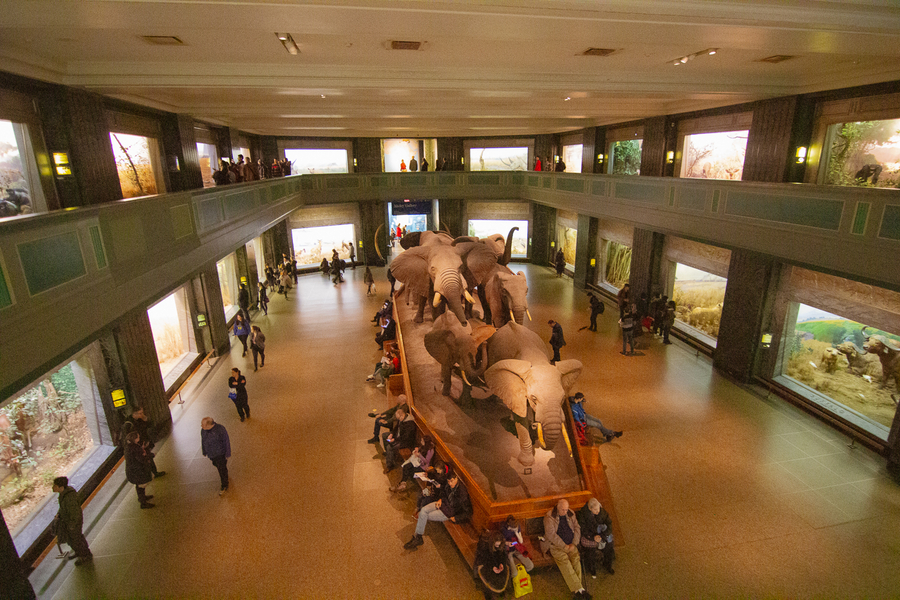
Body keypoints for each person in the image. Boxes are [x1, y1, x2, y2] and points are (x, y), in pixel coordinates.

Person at [404, 469, 471, 549]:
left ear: (456, 478)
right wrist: (441, 499)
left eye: (452, 481)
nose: (450, 483)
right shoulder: (448, 485)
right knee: (423, 511)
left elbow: (469, 511)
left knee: (424, 515)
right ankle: (418, 537)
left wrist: (457, 518)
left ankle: (418, 537)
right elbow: (443, 493)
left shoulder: (462, 493)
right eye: (449, 481)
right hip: (442, 503)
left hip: (448, 512)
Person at [543, 499, 590, 599]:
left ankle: (578, 590)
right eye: (563, 510)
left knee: (576, 561)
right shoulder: (549, 517)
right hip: (556, 546)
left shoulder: (570, 513)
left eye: (566, 509)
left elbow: (577, 527)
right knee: (566, 564)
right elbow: (551, 535)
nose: (565, 512)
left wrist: (574, 543)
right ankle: (580, 589)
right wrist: (564, 546)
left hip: (571, 544)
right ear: (558, 508)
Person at [52, 477, 92, 565]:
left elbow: (75, 512)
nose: (53, 488)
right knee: (72, 540)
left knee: (76, 539)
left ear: (61, 487)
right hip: (69, 522)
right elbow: (64, 507)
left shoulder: (69, 497)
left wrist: (72, 525)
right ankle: (79, 552)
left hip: (73, 523)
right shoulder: (64, 495)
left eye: (55, 486)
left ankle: (85, 555)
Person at [577, 498, 616, 578]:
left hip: (601, 534)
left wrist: (602, 535)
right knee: (590, 552)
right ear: (590, 509)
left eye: (598, 508)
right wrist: (593, 537)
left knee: (609, 547)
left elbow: (609, 523)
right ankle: (592, 569)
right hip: (590, 536)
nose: (598, 511)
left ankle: (607, 565)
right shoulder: (583, 515)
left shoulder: (602, 512)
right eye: (595, 510)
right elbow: (583, 529)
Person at [125, 407, 166, 478]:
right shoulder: (128, 424)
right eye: (140, 413)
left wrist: (145, 419)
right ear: (134, 414)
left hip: (143, 443)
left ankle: (154, 472)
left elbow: (149, 426)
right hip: (137, 445)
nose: (142, 414)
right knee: (144, 459)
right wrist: (139, 444)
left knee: (148, 458)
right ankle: (148, 475)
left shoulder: (140, 420)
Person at [474, 531, 510, 599]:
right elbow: (483, 560)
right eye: (496, 545)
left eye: (499, 545)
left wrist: (502, 564)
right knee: (490, 578)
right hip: (487, 565)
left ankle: (501, 592)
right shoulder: (485, 547)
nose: (498, 546)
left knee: (503, 575)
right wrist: (492, 567)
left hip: (496, 564)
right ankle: (489, 595)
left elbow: (503, 556)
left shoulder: (501, 546)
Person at [124, 431, 155, 509]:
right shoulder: (135, 448)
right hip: (137, 472)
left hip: (133, 471)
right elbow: (141, 459)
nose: (139, 438)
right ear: (135, 439)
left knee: (139, 485)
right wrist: (150, 456)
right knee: (141, 485)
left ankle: (142, 498)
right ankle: (143, 502)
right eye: (138, 437)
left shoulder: (128, 447)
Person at [200, 417, 231, 496]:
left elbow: (226, 441)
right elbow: (203, 441)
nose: (201, 426)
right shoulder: (203, 430)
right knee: (216, 464)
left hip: (220, 453)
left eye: (203, 424)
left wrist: (227, 453)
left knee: (221, 469)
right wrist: (204, 451)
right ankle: (224, 470)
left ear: (208, 425)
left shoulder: (220, 429)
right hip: (212, 454)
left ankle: (224, 485)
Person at [381, 406, 416, 473]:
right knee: (384, 435)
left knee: (389, 447)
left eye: (399, 418)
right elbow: (396, 428)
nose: (399, 420)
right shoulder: (402, 419)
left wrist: (394, 440)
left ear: (402, 415)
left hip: (405, 442)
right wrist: (392, 434)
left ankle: (389, 465)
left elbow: (406, 437)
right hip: (398, 437)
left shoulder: (410, 424)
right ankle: (389, 455)